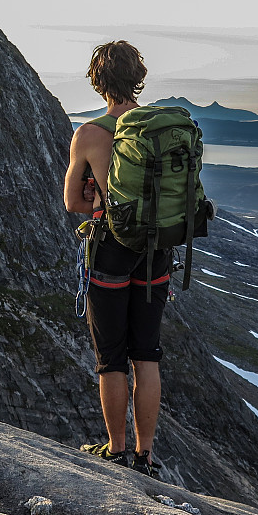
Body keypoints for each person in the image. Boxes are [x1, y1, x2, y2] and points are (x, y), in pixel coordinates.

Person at [63, 40, 168, 478]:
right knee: (147, 354)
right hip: (157, 252)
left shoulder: (90, 134)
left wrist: (95, 197)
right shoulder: (161, 129)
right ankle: (146, 457)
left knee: (111, 357)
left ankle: (117, 450)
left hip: (110, 250)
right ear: (138, 78)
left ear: (99, 81)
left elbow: (72, 202)